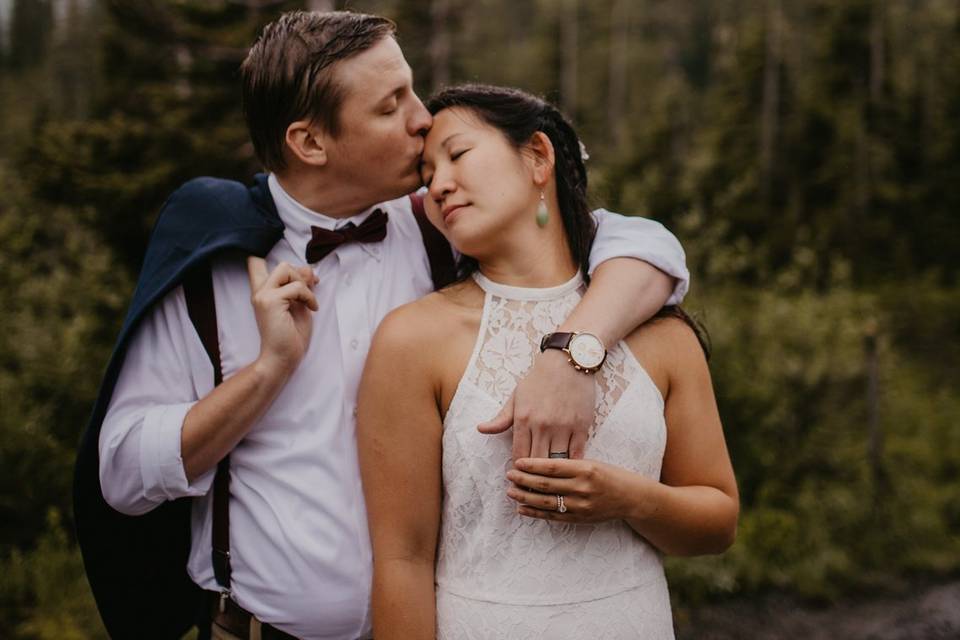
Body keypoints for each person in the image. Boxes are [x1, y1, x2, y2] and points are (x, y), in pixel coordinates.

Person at [75, 11, 691, 640]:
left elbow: (644, 246)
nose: (422, 118)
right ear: (310, 143)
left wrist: (569, 352)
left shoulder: (441, 226)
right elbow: (122, 474)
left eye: (412, 89)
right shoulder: (213, 259)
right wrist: (266, 375)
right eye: (391, 104)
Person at [358, 84, 739, 640]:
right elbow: (402, 562)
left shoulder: (659, 331)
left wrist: (628, 498)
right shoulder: (412, 339)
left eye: (458, 155)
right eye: (426, 175)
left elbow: (718, 523)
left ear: (537, 156)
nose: (438, 185)